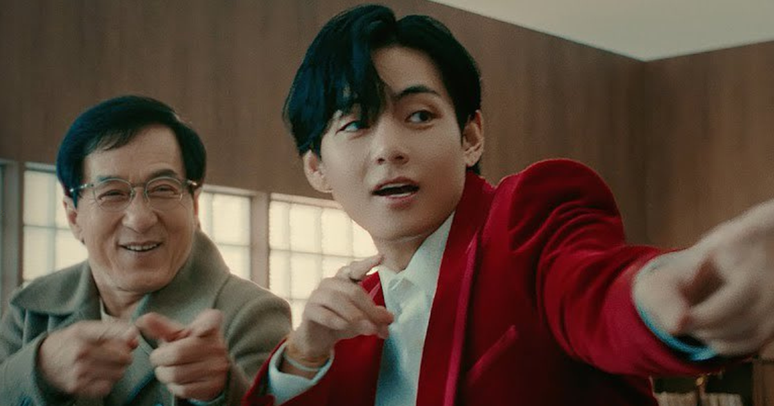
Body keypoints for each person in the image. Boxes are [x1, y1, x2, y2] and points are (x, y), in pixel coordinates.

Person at [243, 4, 774, 406]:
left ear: (470, 136)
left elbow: (592, 288)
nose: (388, 149)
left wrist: (664, 293)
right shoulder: (346, 323)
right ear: (317, 168)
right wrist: (304, 354)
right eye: (356, 123)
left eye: (419, 115)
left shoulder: (527, 220)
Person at [0, 95, 291, 406]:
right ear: (74, 217)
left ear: (194, 206)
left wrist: (222, 392)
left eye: (163, 189)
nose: (140, 219)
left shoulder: (252, 314)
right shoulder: (30, 310)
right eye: (112, 193)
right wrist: (38, 374)